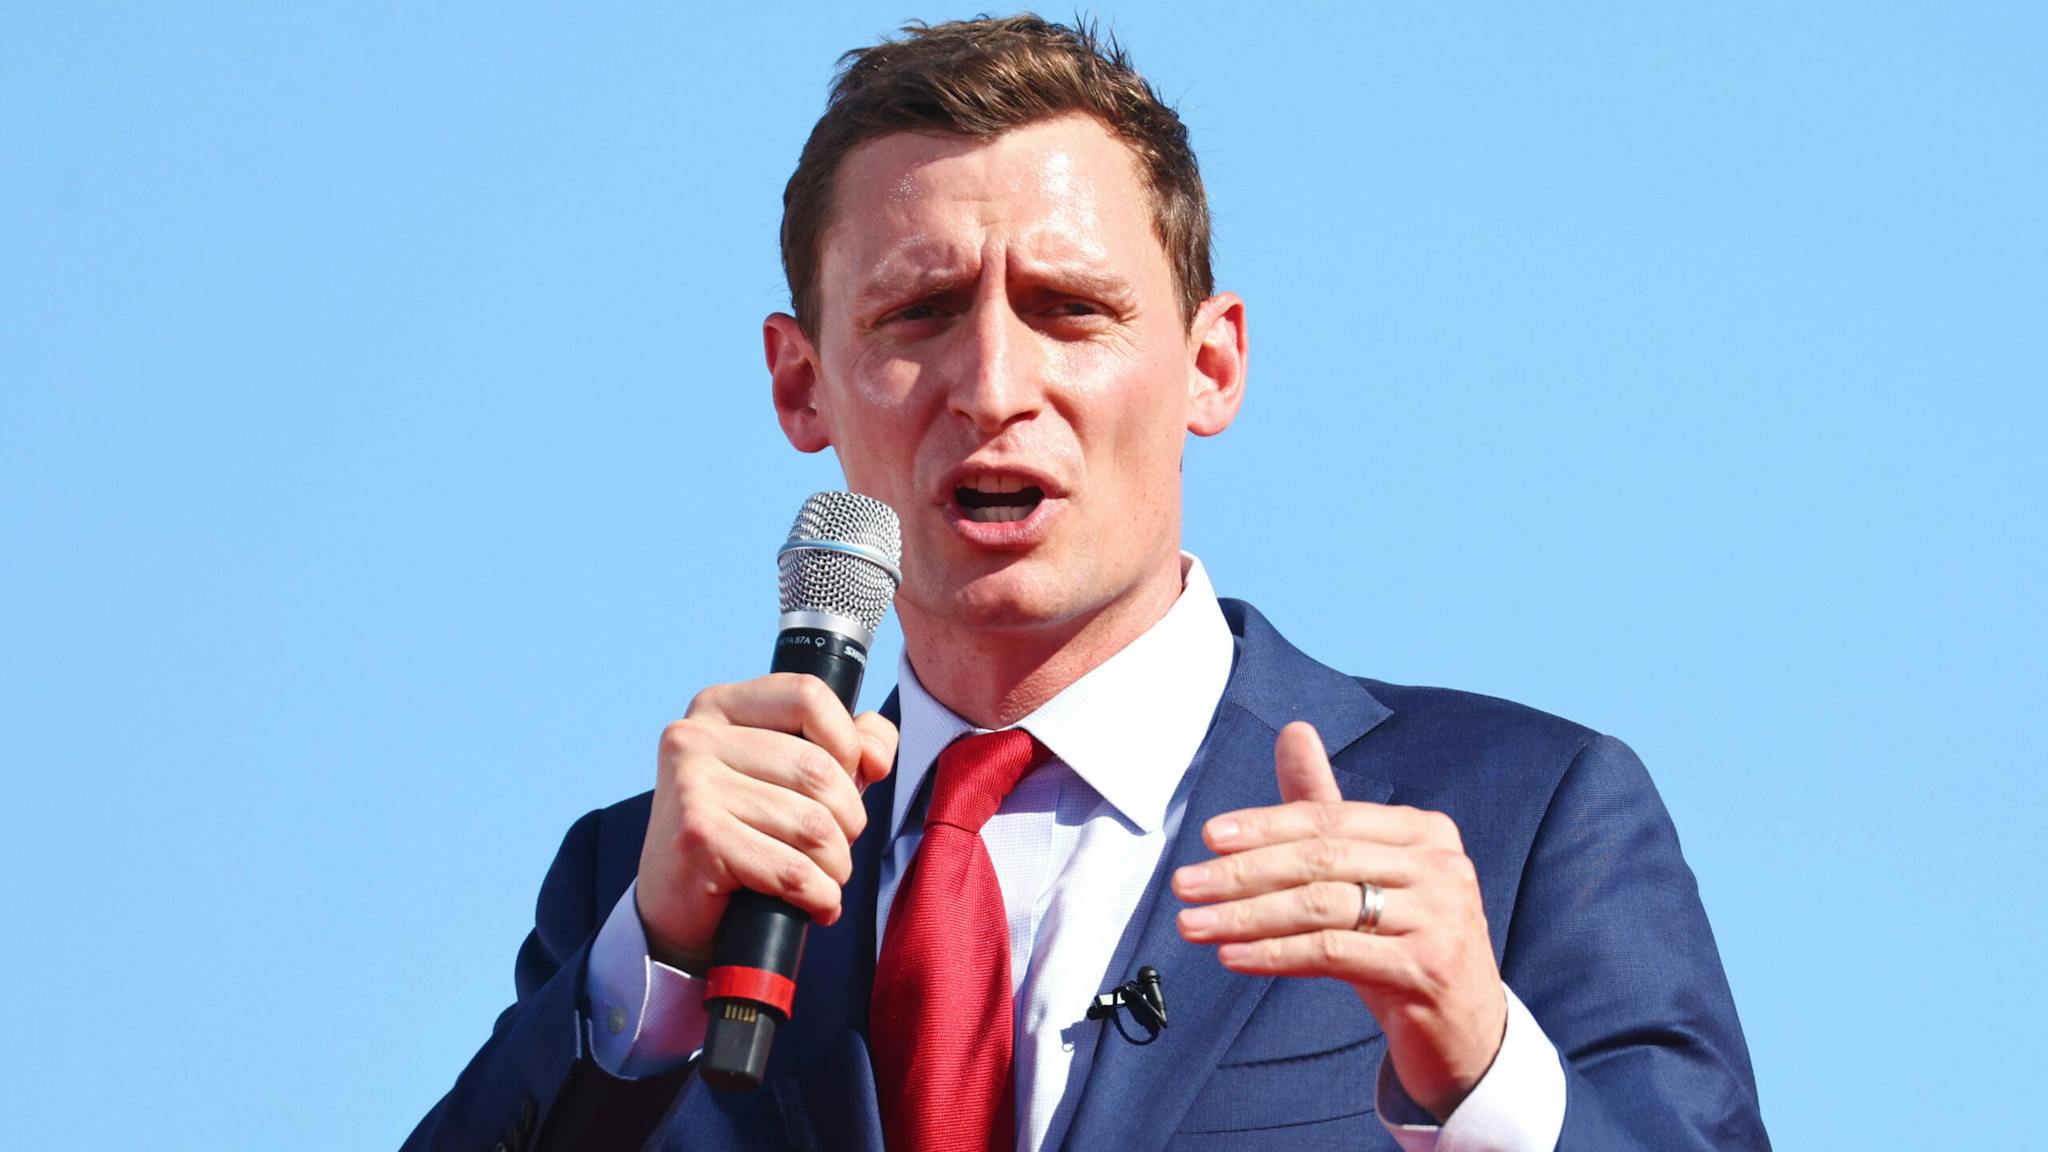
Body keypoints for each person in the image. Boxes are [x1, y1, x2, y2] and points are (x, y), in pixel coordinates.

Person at [404, 15, 1768, 1152]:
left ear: (1210, 366)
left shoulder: (1520, 821)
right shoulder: (643, 887)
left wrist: (1481, 1072)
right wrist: (645, 969)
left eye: (1072, 308)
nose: (995, 389)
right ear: (799, 382)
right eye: (917, 314)